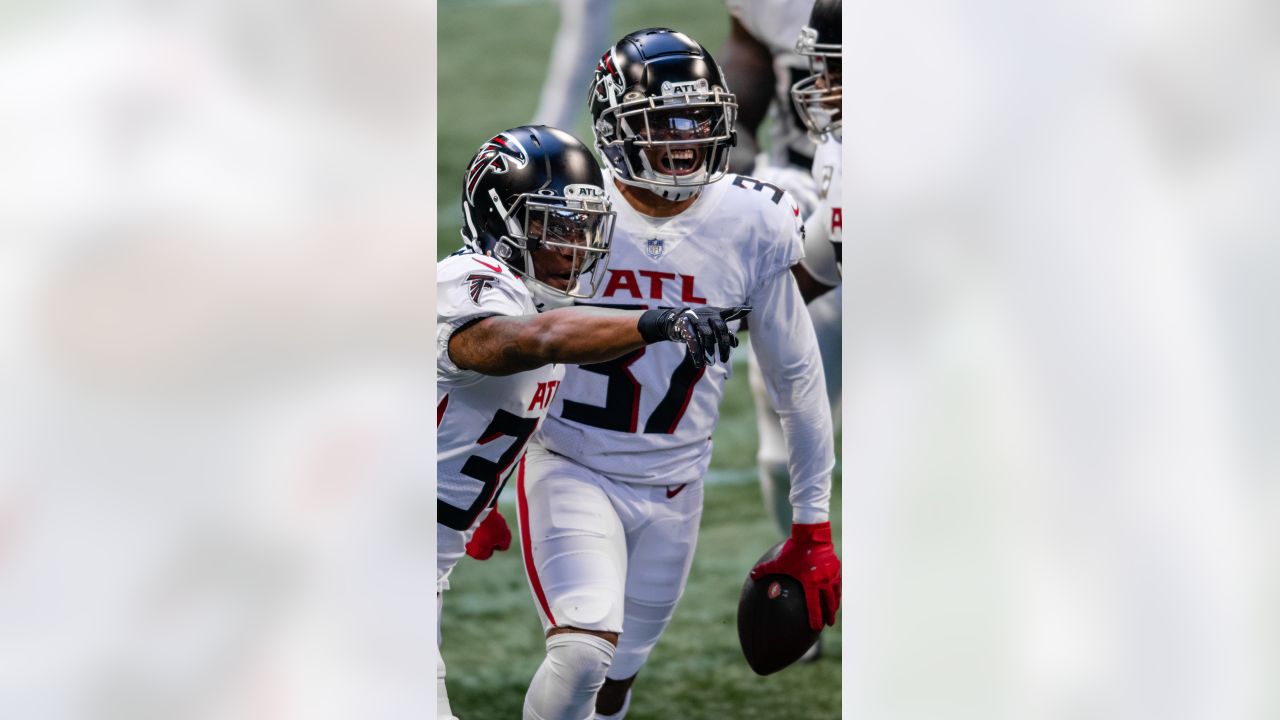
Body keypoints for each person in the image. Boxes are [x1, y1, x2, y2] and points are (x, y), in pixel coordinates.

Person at [518, 29, 840, 720]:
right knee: (580, 653)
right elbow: (511, 340)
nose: (685, 138)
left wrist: (813, 526)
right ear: (613, 123)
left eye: (698, 118)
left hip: (675, 483)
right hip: (571, 462)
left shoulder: (749, 220)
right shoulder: (571, 211)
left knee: (614, 680)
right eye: (662, 120)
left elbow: (799, 383)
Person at [436, 124, 747, 719]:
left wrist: (475, 508)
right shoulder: (467, 284)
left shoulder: (534, 298)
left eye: (583, 229)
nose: (572, 248)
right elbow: (536, 340)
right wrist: (653, 322)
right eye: (556, 227)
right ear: (502, 221)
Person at [721, 0, 843, 612]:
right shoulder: (830, 152)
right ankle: (797, 577)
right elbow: (747, 51)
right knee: (782, 440)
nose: (821, 88)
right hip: (804, 191)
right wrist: (732, 144)